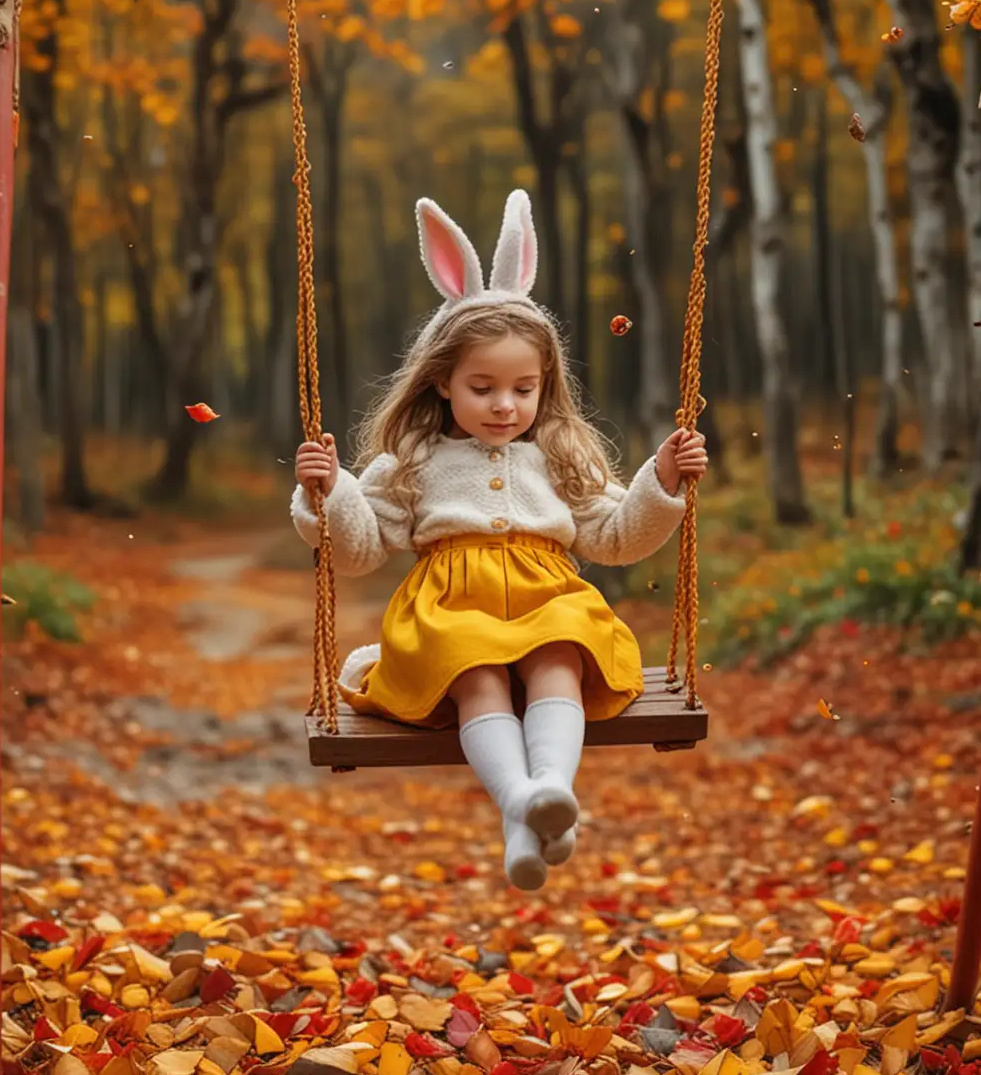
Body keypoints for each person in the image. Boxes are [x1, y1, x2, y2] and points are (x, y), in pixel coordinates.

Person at [292, 189, 707, 890]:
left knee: (561, 654)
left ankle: (542, 794)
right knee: (475, 671)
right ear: (443, 383)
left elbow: (613, 536)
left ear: (546, 386)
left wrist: (658, 479)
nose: (505, 404)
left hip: (548, 597)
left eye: (524, 387)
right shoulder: (415, 459)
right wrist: (329, 493)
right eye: (482, 386)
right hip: (451, 609)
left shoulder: (561, 456)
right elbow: (360, 551)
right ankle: (524, 802)